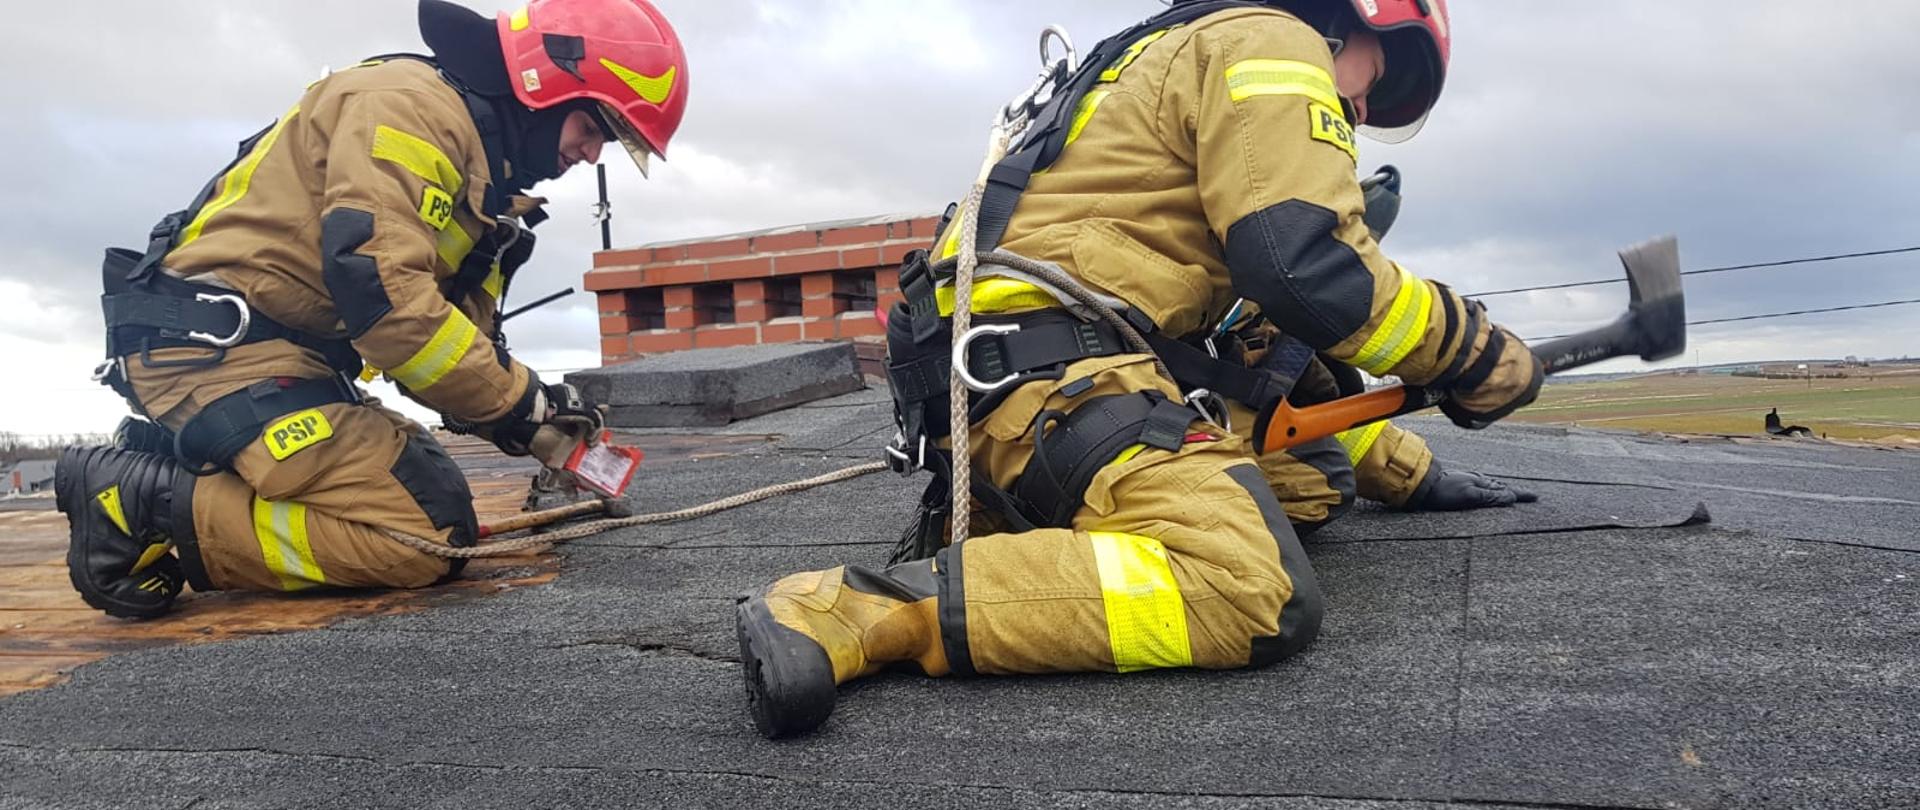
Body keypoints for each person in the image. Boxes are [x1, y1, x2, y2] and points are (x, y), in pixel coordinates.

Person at [736, 0, 1541, 738]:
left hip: (1015, 372)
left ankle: (1042, 536)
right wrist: (1478, 353)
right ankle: (850, 611)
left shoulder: (1171, 63)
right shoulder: (1273, 40)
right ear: (1346, 16)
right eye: (1380, 75)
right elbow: (1310, 269)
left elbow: (1270, 372)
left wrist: (1408, 471)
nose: (1361, 109)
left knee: (1309, 479)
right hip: (1046, 372)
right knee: (1248, 585)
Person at [57, 0, 688, 619]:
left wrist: (531, 424)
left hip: (265, 359)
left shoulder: (482, 176)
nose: (591, 154)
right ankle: (143, 502)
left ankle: (167, 456)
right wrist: (527, 403)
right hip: (216, 356)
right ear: (544, 84)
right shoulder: (409, 111)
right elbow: (389, 307)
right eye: (593, 128)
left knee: (432, 490)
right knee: (421, 537)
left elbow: (449, 340)